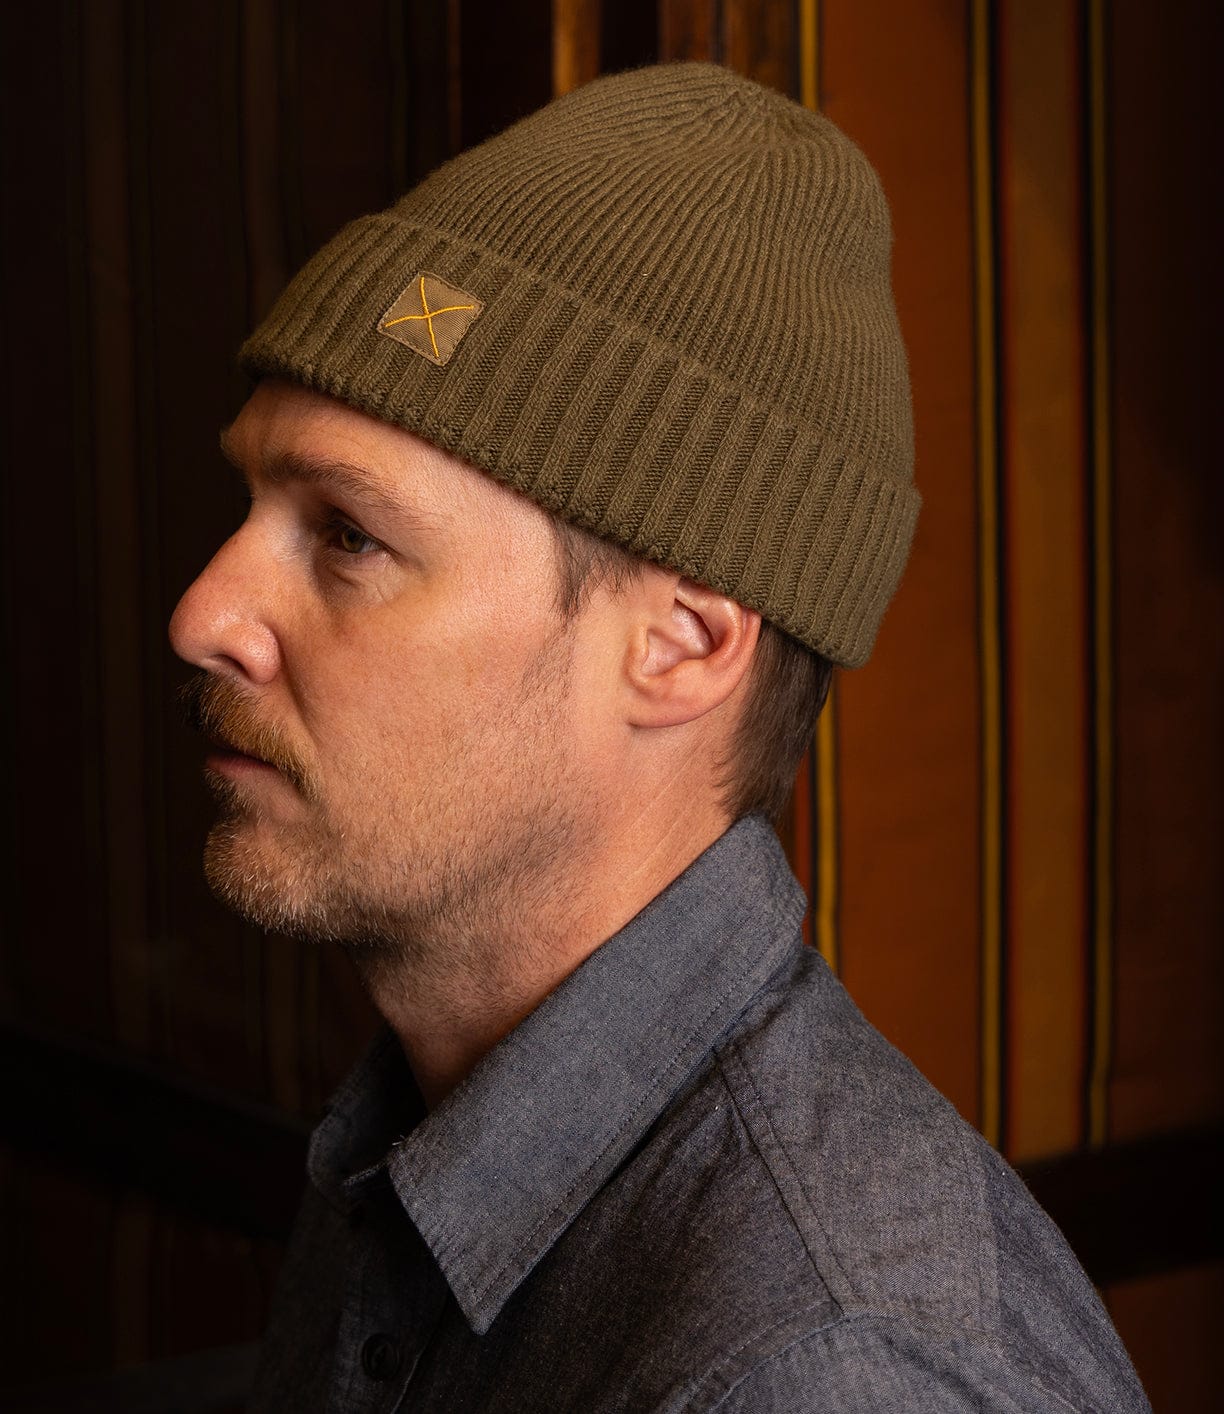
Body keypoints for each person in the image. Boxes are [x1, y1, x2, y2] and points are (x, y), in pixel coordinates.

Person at [170, 63, 1148, 1413]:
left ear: (682, 645)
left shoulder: (831, 1368)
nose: (205, 611)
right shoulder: (412, 1145)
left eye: (348, 535)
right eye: (251, 503)